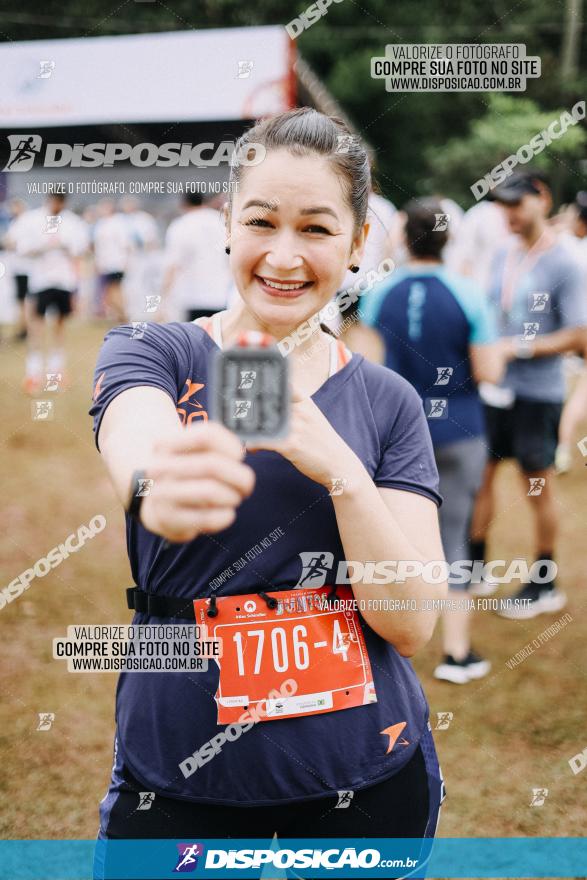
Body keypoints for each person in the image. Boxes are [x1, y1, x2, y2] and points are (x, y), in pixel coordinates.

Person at [90, 108, 447, 877]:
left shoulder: (387, 401)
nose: (283, 257)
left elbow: (413, 623)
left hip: (366, 784)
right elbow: (136, 435)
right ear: (227, 224)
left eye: (316, 229)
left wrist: (341, 471)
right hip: (178, 782)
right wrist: (160, 481)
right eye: (262, 222)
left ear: (356, 245)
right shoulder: (155, 349)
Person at [359, 198, 504, 684]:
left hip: (395, 430)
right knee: (453, 537)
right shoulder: (468, 292)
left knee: (389, 538)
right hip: (459, 426)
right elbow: (489, 370)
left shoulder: (378, 294)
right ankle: (456, 653)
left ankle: (385, 646)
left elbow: (370, 369)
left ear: (404, 237)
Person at [470, 171, 587, 620]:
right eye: (504, 206)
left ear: (543, 198)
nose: (510, 214)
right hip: (496, 390)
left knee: (536, 488)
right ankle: (476, 567)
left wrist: (517, 347)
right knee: (481, 474)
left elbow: (579, 334)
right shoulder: (504, 252)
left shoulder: (566, 262)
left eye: (518, 204)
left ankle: (545, 583)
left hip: (538, 394)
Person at [16, 189, 89, 394]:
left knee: (59, 328)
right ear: (48, 200)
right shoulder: (33, 219)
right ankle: (33, 374)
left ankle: (56, 374)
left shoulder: (73, 222)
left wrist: (65, 246)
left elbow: (80, 250)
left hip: (64, 281)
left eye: (60, 202)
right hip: (41, 281)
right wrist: (44, 245)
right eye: (54, 202)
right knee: (36, 327)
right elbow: (21, 247)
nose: (57, 206)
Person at [161, 191, 231, 322]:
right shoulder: (220, 220)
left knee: (194, 339)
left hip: (192, 297)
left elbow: (173, 265)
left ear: (183, 204)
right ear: (203, 201)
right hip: (221, 294)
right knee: (217, 338)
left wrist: (163, 299)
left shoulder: (180, 225)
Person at [92, 200, 133, 322]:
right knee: (109, 294)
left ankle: (124, 317)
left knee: (115, 292)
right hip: (106, 264)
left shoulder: (118, 223)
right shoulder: (102, 224)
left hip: (116, 263)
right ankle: (120, 317)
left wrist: (126, 261)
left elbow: (126, 244)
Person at [3, 198, 32, 341]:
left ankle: (26, 329)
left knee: (25, 300)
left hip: (24, 269)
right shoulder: (15, 223)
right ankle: (23, 327)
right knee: (20, 300)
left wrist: (13, 245)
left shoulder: (27, 223)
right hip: (17, 268)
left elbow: (25, 245)